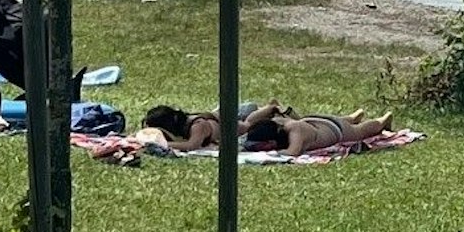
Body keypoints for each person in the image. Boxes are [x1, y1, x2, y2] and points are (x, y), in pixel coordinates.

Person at [135, 99, 288, 151]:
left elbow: (191, 145)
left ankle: (270, 108)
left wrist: (164, 144)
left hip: (226, 126)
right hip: (215, 119)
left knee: (247, 125)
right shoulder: (185, 124)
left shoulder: (197, 127)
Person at [243, 108, 394, 157]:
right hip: (314, 121)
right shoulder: (274, 125)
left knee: (360, 131)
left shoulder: (295, 130)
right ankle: (353, 117)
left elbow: (293, 152)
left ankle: (382, 121)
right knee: (346, 122)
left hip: (334, 129)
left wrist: (267, 154)